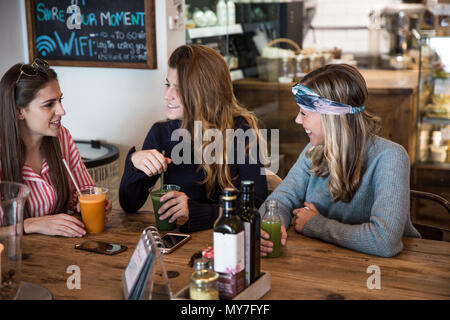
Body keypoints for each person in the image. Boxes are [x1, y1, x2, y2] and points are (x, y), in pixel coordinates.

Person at [259, 64, 420, 258]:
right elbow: (278, 202)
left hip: (389, 273)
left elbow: (384, 242)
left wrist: (316, 224)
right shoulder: (314, 151)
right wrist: (268, 229)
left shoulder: (391, 157)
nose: (297, 120)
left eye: (304, 113)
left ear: (331, 118)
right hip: (329, 262)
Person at [119, 44, 268, 233]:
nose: (166, 95)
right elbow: (129, 205)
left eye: (178, 89)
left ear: (204, 93)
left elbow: (256, 205)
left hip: (229, 242)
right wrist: (135, 164)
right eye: (167, 85)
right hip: (178, 245)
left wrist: (195, 211)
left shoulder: (241, 131)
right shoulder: (161, 133)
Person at [0, 59, 111, 237]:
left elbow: (84, 190)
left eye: (60, 100)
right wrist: (30, 225)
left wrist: (81, 204)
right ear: (19, 111)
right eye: (49, 104)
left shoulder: (62, 137)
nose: (61, 111)